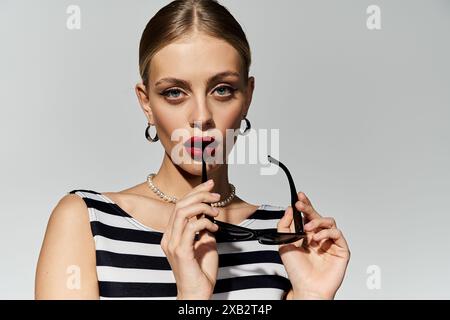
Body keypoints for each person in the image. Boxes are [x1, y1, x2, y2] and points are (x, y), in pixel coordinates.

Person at [35, 0, 350, 300]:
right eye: (174, 92)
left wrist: (310, 295)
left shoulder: (283, 237)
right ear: (146, 102)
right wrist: (192, 297)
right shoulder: (88, 222)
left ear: (248, 96)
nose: (201, 117)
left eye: (222, 89)